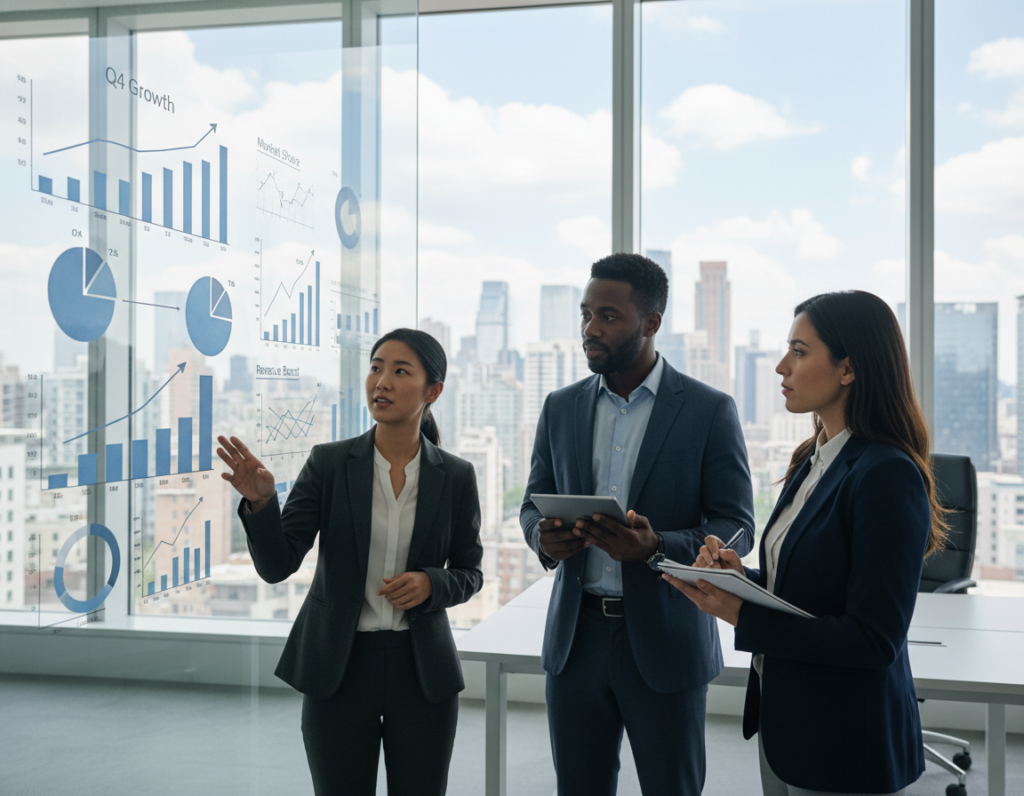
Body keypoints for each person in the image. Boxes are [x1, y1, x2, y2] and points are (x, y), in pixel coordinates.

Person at [666, 291, 944, 796]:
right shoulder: (813, 458)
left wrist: (740, 615)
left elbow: (873, 640)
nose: (780, 367)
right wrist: (739, 579)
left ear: (848, 369)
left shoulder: (886, 475)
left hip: (845, 740)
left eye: (798, 351)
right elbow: (804, 587)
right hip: (788, 722)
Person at [521, 253, 756, 796]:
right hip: (576, 639)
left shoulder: (708, 409)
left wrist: (657, 547)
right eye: (585, 315)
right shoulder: (560, 408)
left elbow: (737, 524)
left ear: (650, 323)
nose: (589, 330)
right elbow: (533, 503)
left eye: (608, 316)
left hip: (665, 638)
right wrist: (542, 536)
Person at [218, 328, 483, 796]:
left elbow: (470, 571)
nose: (381, 381)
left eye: (400, 371)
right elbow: (277, 566)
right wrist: (263, 505)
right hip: (339, 666)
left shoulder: (456, 476)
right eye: (376, 367)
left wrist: (430, 583)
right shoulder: (330, 463)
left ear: (433, 391)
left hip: (421, 670)